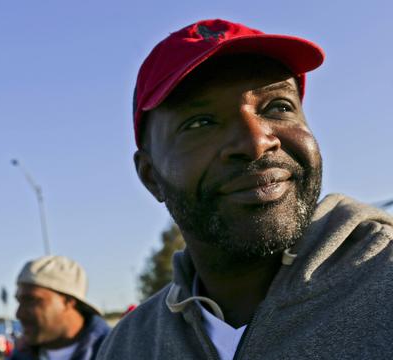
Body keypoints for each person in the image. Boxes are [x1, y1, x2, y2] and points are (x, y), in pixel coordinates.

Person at [96, 19, 393, 360]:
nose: (256, 142)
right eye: (200, 123)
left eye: (278, 106)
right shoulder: (131, 345)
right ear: (151, 177)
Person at [11, 255, 110, 360]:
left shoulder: (117, 350)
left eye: (31, 300)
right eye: (19, 302)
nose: (19, 314)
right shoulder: (21, 356)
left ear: (68, 301)